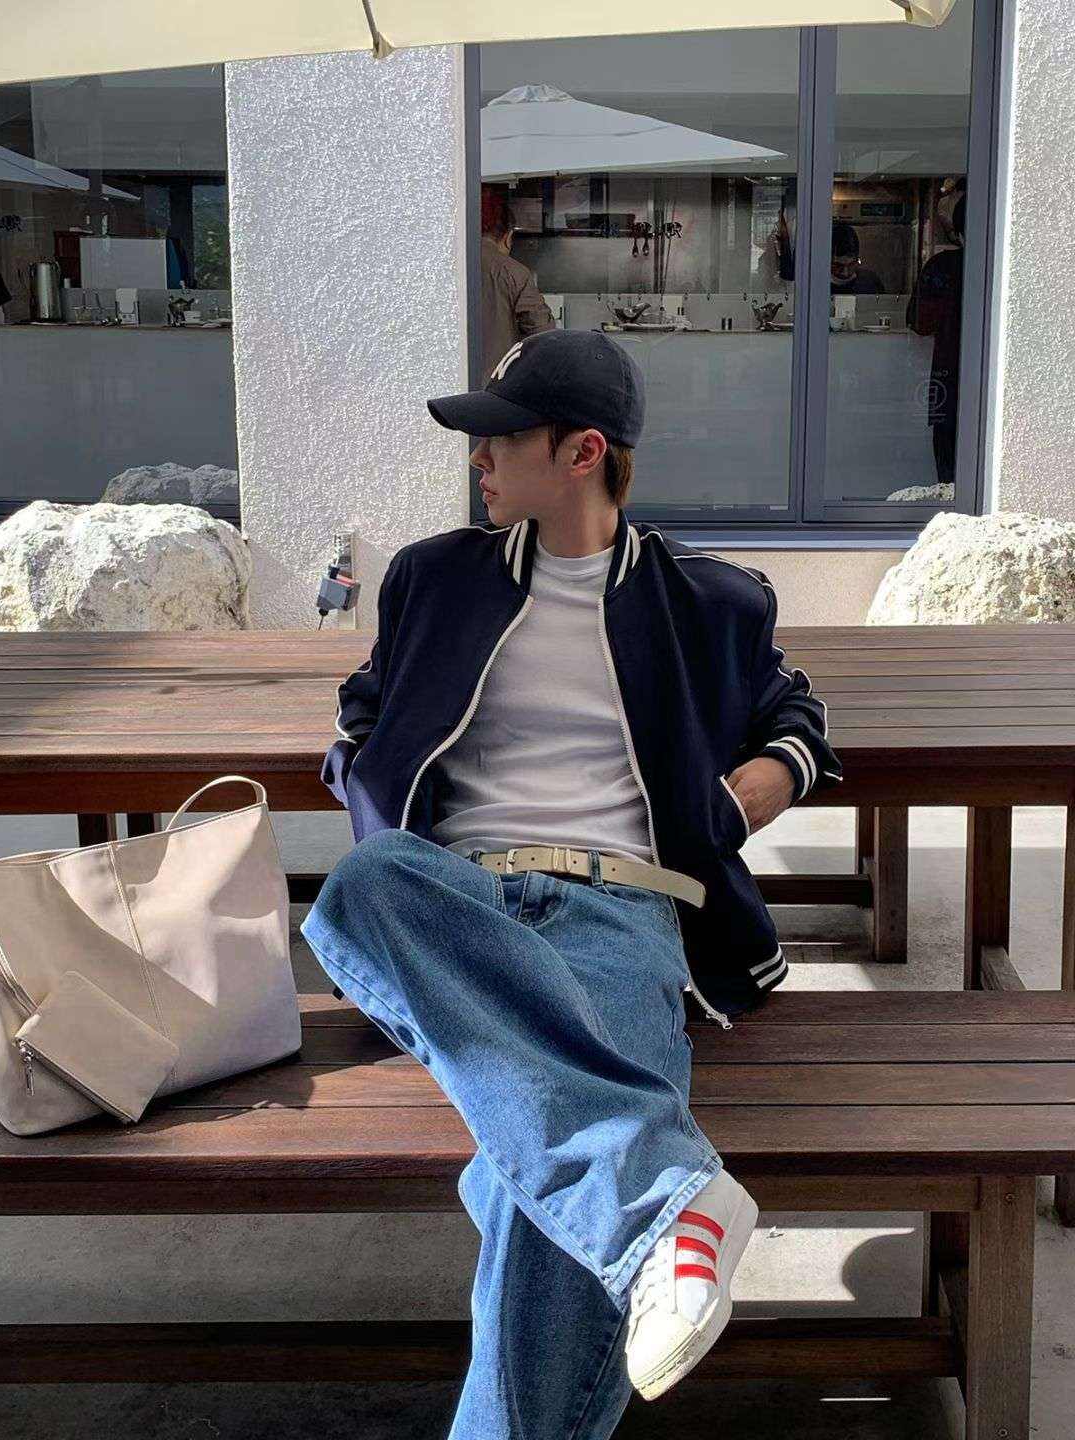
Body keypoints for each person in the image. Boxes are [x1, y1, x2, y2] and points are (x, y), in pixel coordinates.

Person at [301, 327, 844, 1438]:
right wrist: (362, 773)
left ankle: (647, 1211)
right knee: (362, 884)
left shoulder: (710, 600)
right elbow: (365, 708)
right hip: (451, 905)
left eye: (502, 439)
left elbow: (797, 715)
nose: (479, 459)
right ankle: (664, 1206)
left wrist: (760, 786)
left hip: (621, 905)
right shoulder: (436, 578)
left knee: (531, 1178)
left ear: (584, 451)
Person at [906, 194, 966, 488]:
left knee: (949, 474)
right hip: (999, 387)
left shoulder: (942, 268)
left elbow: (919, 323)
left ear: (957, 232)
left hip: (948, 377)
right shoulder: (1008, 269)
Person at [480, 200, 555, 386]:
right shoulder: (514, 272)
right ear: (508, 237)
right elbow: (542, 334)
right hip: (496, 384)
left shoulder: (447, 265)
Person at [830, 220, 885, 295]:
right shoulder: (819, 284)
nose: (845, 273)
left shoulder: (870, 282)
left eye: (851, 265)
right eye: (838, 266)